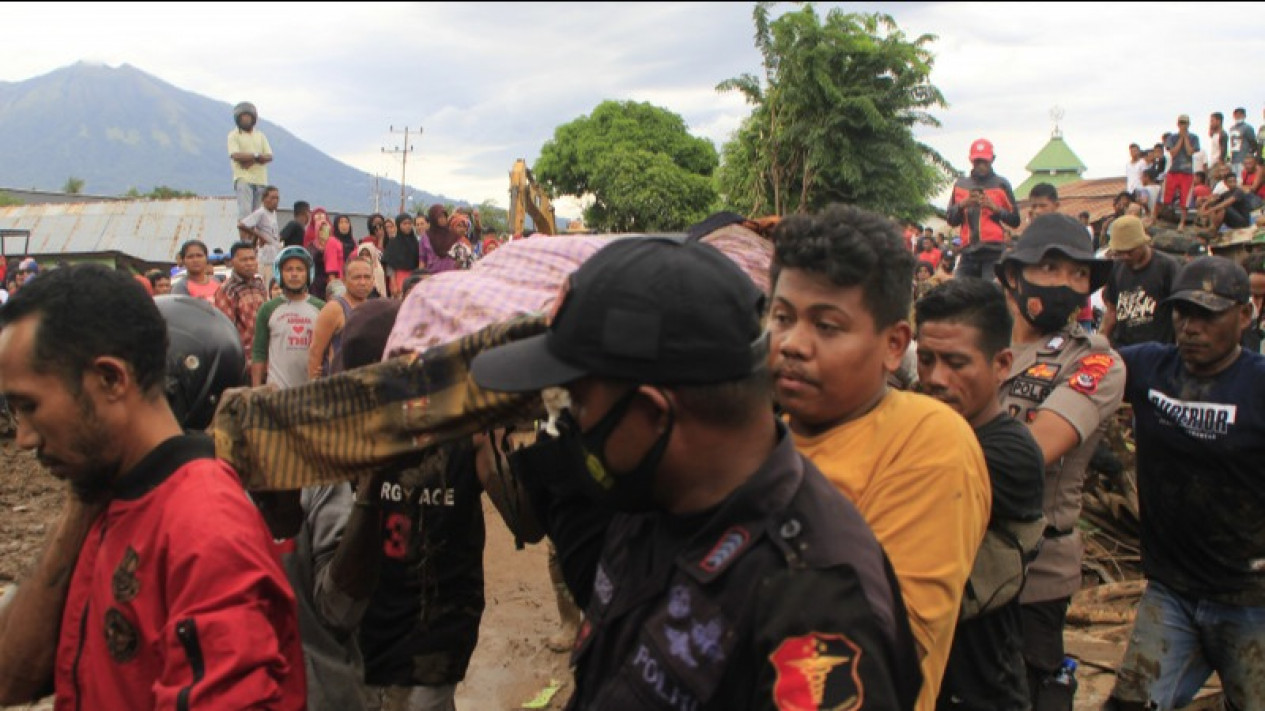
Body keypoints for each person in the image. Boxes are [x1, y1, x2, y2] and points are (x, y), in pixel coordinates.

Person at [470, 236, 923, 710]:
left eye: (577, 405)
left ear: (652, 413)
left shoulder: (817, 606)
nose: (569, 425)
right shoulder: (654, 500)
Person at [0, 266, 305, 708]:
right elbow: (11, 676)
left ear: (111, 379)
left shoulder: (203, 526)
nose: (23, 437)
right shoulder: (108, 497)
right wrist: (80, 503)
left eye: (30, 406)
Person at [767, 203, 991, 710]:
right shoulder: (767, 438)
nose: (792, 344)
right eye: (782, 317)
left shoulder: (929, 442)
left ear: (894, 345)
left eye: (826, 327)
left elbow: (874, 652)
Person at [1106, 257, 1265, 711]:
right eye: (1183, 313)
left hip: (1251, 597)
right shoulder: (1149, 367)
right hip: (1172, 592)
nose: (1191, 327)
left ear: (1246, 314)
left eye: (1207, 314)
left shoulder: (1258, 385)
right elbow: (1087, 373)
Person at [993, 213, 1125, 710]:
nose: (1068, 285)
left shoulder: (1094, 361)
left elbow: (1030, 453)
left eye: (1079, 274)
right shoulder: (978, 342)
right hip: (962, 551)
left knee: (1024, 690)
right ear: (1012, 275)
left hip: (1035, 570)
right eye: (1050, 268)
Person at [915, 278, 1046, 711]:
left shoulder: (1008, 453)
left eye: (956, 362)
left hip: (980, 690)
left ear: (1002, 363)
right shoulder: (919, 429)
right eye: (926, 359)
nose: (935, 378)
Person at [1100, 215, 1181, 347]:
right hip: (1124, 350)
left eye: (1130, 251)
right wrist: (1100, 339)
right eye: (1121, 252)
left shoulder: (1167, 267)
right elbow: (1111, 311)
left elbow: (1179, 311)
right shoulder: (1116, 268)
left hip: (1158, 351)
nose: (1125, 256)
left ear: (1143, 243)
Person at [946, 138, 1021, 280]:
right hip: (968, 252)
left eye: (984, 161)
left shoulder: (1001, 184)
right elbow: (951, 219)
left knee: (990, 296)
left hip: (993, 252)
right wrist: (964, 204)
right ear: (971, 160)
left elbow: (1015, 220)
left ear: (992, 159)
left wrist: (995, 208)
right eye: (977, 161)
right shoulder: (961, 184)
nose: (981, 165)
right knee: (958, 295)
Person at [251, 246, 324, 389]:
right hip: (277, 392)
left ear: (308, 274)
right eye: (289, 269)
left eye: (300, 269)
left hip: (312, 391)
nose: (294, 274)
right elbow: (259, 353)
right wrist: (256, 390)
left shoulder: (321, 308)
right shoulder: (267, 309)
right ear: (280, 274)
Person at [309, 256, 374, 379]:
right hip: (339, 386)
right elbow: (315, 351)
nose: (362, 282)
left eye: (367, 277)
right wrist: (315, 387)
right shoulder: (334, 309)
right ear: (344, 280)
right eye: (356, 277)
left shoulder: (373, 307)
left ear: (373, 280)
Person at [214, 241, 269, 359]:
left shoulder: (259, 285)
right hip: (243, 355)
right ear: (233, 262)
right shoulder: (227, 289)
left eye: (252, 259)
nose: (249, 263)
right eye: (244, 260)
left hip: (265, 353)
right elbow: (227, 328)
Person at [227, 101, 273, 219]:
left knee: (257, 217)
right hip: (243, 179)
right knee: (245, 215)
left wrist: (252, 158)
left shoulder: (260, 135)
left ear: (253, 118)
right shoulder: (234, 135)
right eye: (243, 117)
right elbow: (235, 155)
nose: (246, 119)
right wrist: (257, 156)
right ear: (238, 118)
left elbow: (269, 156)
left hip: (261, 181)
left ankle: (253, 238)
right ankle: (244, 238)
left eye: (248, 116)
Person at [239, 185, 282, 282]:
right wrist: (260, 237)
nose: (275, 201)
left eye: (277, 198)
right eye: (272, 198)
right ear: (264, 199)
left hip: (274, 255)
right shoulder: (261, 212)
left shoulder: (273, 213)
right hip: (265, 258)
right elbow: (242, 225)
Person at [1163, 115, 1200, 229]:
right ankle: (1161, 217)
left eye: (1185, 123)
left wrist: (1185, 138)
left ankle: (1182, 222)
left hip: (1187, 171)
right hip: (1174, 170)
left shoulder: (1194, 137)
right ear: (1178, 124)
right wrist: (1181, 138)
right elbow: (1173, 152)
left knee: (1185, 199)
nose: (1183, 125)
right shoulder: (1172, 138)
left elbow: (1190, 152)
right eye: (1181, 123)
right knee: (1166, 196)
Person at [382, 212, 420, 296]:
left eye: (409, 223)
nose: (407, 226)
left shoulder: (415, 242)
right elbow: (390, 265)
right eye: (404, 223)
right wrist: (393, 284)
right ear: (399, 225)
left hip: (413, 278)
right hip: (398, 278)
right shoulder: (393, 243)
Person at [420, 204, 460, 274]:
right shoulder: (426, 237)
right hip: (433, 276)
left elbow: (460, 257)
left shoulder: (453, 236)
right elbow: (422, 260)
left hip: (451, 275)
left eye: (444, 216)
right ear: (433, 218)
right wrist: (420, 277)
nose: (443, 219)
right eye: (439, 217)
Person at [326, 214, 358, 286]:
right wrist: (335, 287)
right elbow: (331, 269)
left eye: (346, 222)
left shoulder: (354, 242)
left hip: (353, 282)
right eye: (341, 222)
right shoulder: (332, 241)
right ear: (336, 225)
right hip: (339, 282)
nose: (344, 225)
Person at [1228, 107, 1258, 179]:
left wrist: (1249, 155)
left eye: (1240, 115)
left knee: (1242, 179)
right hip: (1233, 159)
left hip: (1243, 159)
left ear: (1244, 116)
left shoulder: (1248, 128)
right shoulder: (1232, 128)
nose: (1238, 116)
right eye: (1236, 115)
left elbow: (1253, 143)